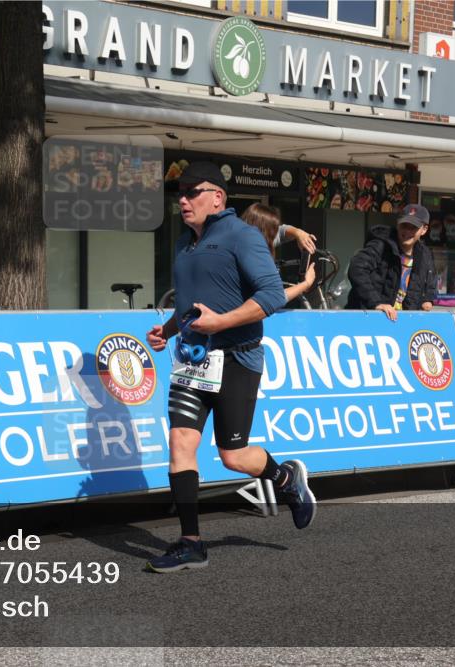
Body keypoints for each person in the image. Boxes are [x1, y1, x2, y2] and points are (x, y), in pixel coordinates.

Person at [144, 162, 317, 573]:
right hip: (192, 359)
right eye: (180, 194)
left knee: (233, 456)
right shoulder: (186, 245)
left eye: (192, 192)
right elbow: (191, 305)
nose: (183, 200)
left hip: (237, 357)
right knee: (181, 443)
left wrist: (220, 323)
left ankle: (287, 481)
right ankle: (191, 543)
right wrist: (168, 330)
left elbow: (272, 294)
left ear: (217, 197)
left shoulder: (242, 236)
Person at [347, 204, 436, 321]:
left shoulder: (425, 254)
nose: (407, 231)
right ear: (398, 224)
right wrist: (376, 303)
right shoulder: (381, 245)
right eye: (404, 225)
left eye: (413, 227)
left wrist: (427, 299)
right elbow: (356, 268)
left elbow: (430, 280)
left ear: (424, 230)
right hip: (372, 318)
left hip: (403, 321)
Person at [241, 202, 316, 304]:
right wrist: (306, 283)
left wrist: (298, 233)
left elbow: (281, 231)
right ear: (263, 231)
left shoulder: (248, 242)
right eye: (272, 230)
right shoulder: (255, 260)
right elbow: (274, 298)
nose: (274, 236)